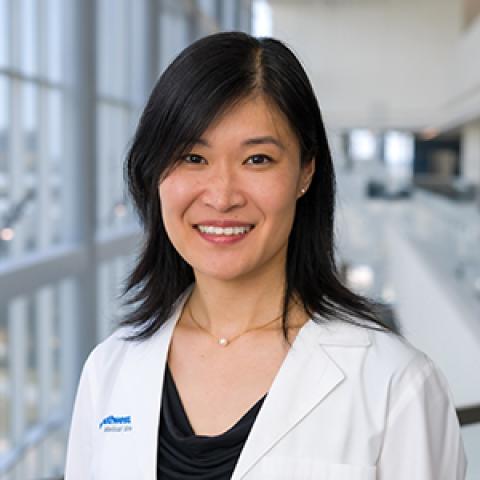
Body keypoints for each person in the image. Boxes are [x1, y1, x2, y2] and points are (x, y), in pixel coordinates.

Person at [65, 32, 467, 479]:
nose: (221, 196)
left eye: (257, 159)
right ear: (154, 173)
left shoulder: (396, 385)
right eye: (192, 158)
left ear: (306, 172)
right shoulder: (110, 369)